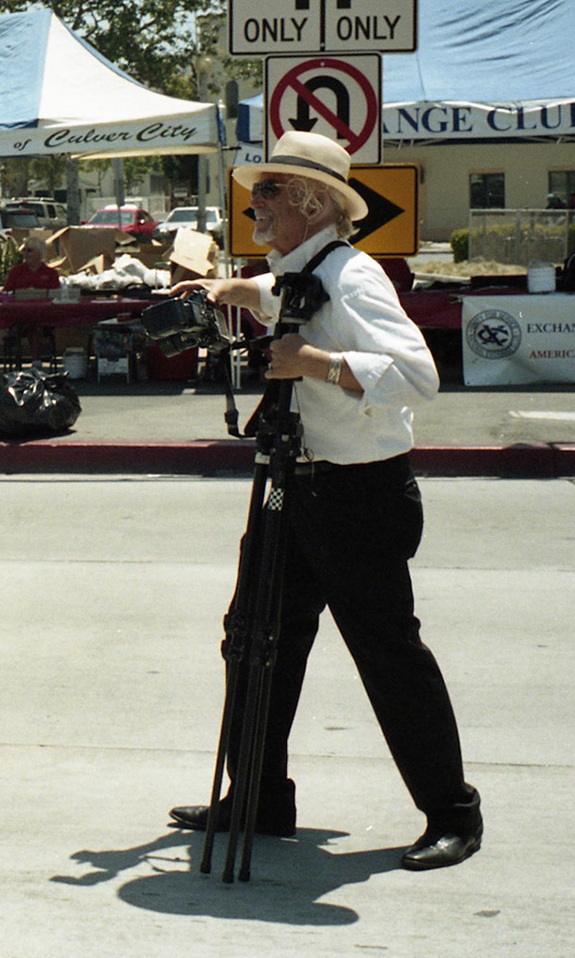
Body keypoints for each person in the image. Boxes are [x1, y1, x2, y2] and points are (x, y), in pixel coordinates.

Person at [166, 129, 481, 872]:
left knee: (387, 651)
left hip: (357, 494)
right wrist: (230, 290)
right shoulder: (305, 268)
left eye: (270, 191)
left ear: (312, 203)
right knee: (254, 638)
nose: (255, 202)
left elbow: (419, 377)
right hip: (294, 481)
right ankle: (258, 798)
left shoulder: (355, 277)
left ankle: (453, 813)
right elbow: (284, 292)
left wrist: (315, 363)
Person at [1, 238, 62, 366]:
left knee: (35, 324)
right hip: (19, 314)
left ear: (39, 253)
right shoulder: (16, 271)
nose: (25, 253)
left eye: (29, 250)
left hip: (43, 314)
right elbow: (6, 293)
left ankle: (36, 362)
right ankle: (35, 361)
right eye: (24, 250)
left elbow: (56, 295)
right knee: (31, 323)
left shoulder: (51, 273)